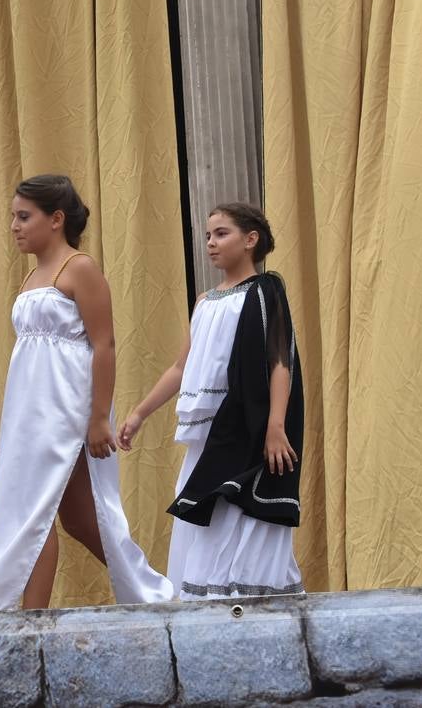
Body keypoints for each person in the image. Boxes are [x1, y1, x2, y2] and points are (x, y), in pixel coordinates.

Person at [0, 175, 172, 611]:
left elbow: (104, 344)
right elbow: (26, 362)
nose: (14, 226)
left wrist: (99, 417)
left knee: (35, 514)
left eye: (24, 217)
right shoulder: (32, 276)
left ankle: (30, 619)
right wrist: (10, 427)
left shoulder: (79, 267)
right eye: (13, 217)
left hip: (65, 408)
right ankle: (153, 596)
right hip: (31, 413)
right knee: (78, 518)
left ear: (56, 219)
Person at [120, 203, 304, 599]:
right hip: (207, 436)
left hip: (248, 430)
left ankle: (248, 605)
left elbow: (279, 362)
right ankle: (209, 608)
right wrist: (139, 413)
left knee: (244, 518)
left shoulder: (265, 292)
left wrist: (276, 426)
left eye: (221, 233)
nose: (210, 243)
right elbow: (180, 367)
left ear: (250, 239)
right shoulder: (204, 302)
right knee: (204, 519)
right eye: (207, 235)